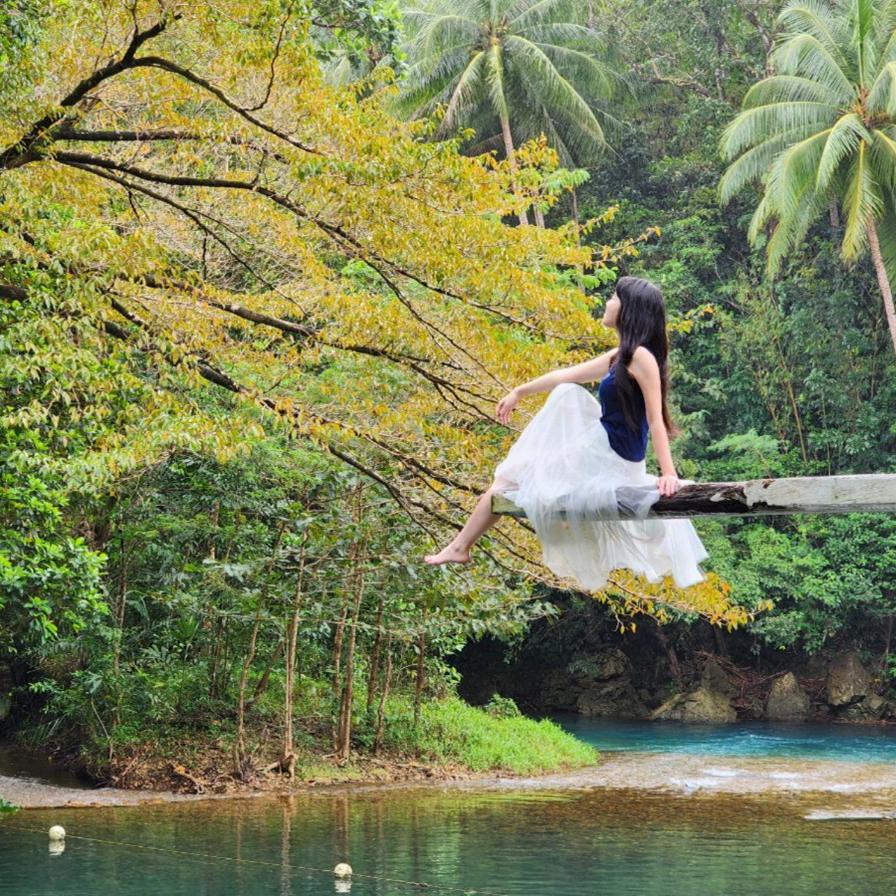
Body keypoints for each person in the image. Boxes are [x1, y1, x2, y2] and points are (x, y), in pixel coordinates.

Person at [423, 276, 708, 589]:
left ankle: (460, 546)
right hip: (602, 451)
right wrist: (519, 391)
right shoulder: (619, 357)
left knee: (558, 410)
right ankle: (460, 546)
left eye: (613, 298)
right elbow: (563, 374)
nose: (607, 302)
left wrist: (668, 472)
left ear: (629, 310)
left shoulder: (641, 357)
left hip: (613, 455)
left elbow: (656, 419)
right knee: (516, 470)